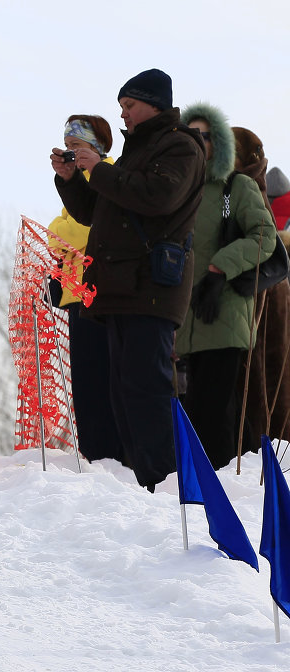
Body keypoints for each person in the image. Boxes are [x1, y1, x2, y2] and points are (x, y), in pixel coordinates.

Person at [51, 68, 206, 491]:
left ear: (154, 103)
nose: (124, 115)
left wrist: (99, 169)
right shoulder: (137, 151)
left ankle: (167, 484)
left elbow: (157, 198)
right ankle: (142, 484)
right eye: (121, 107)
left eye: (129, 106)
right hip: (121, 289)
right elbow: (97, 214)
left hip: (152, 288)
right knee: (122, 394)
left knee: (147, 391)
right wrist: (70, 182)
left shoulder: (180, 147)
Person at [173, 104, 276, 470]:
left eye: (205, 135)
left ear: (219, 144)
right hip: (188, 320)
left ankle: (221, 489)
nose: (198, 141)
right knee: (209, 409)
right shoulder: (181, 194)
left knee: (211, 411)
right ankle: (244, 477)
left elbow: (265, 237)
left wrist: (220, 267)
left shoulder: (236, 186)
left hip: (225, 309)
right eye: (191, 135)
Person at [46, 115, 126, 464]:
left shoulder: (108, 176)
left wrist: (64, 230)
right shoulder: (79, 183)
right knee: (84, 383)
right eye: (68, 146)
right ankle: (93, 454)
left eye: (77, 146)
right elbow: (58, 233)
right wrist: (64, 230)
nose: (72, 153)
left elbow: (82, 233)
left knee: (101, 379)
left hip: (101, 294)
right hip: (77, 294)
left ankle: (110, 456)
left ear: (97, 147)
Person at [229, 127, 290, 452]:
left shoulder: (246, 188)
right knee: (268, 376)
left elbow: (263, 243)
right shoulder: (244, 187)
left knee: (261, 377)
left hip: (259, 291)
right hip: (266, 290)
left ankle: (263, 452)